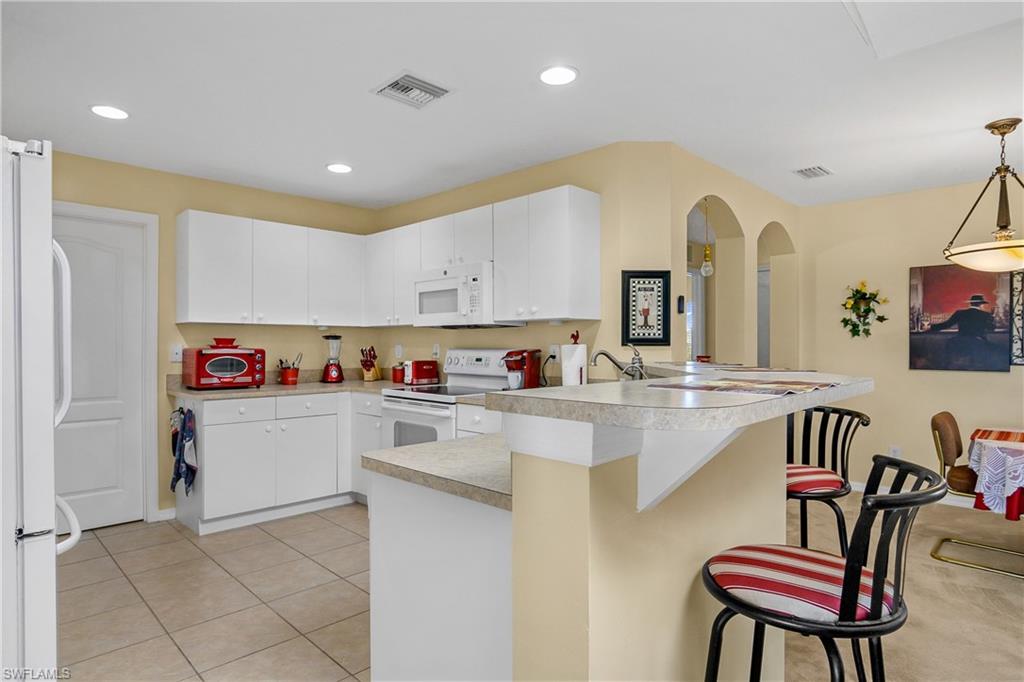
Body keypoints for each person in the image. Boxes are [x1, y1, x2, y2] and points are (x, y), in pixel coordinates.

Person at [927, 294, 998, 369]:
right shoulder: (985, 315)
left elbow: (946, 325)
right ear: (981, 305)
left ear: (971, 303)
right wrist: (992, 317)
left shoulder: (959, 313)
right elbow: (991, 328)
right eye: (983, 305)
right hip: (978, 344)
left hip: (960, 342)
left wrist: (929, 327)